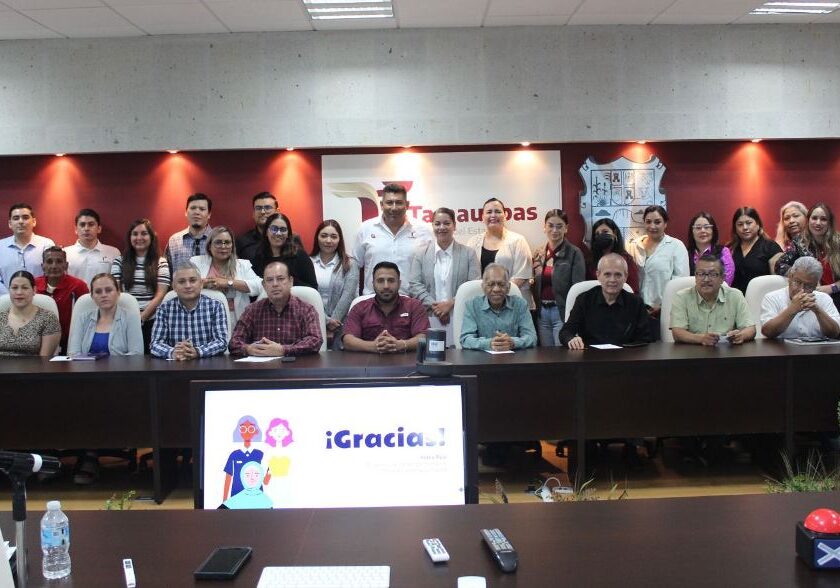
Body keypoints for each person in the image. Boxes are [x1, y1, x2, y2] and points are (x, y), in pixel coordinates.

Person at [409, 207, 480, 345]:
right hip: (429, 317)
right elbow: (414, 285)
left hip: (461, 317)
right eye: (437, 224)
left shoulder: (469, 253)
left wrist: (451, 304)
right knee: (432, 354)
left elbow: (473, 285)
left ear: (454, 226)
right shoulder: (421, 254)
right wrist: (437, 307)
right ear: (432, 226)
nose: (442, 227)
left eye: (447, 223)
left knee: (459, 354)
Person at [228, 260, 323, 357]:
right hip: (261, 365)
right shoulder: (252, 310)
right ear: (264, 285)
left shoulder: (306, 310)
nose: (275, 284)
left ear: (291, 281)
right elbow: (234, 343)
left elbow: (315, 341)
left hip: (295, 365)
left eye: (280, 279)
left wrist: (283, 350)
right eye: (269, 280)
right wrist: (248, 349)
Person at [353, 183, 432, 295]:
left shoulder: (424, 231)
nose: (394, 208)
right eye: (389, 202)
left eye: (399, 202)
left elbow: (431, 270)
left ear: (407, 205)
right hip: (373, 299)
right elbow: (354, 268)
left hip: (412, 300)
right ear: (381, 205)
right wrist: (356, 298)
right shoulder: (365, 229)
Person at [560, 253, 651, 349]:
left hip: (625, 356)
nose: (612, 280)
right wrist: (571, 339)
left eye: (618, 275)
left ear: (625, 276)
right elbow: (566, 332)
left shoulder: (636, 303)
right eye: (607, 274)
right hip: (589, 356)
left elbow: (644, 339)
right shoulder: (584, 300)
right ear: (598, 275)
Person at [627, 205, 690, 338]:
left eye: (657, 222)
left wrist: (663, 305)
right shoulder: (634, 245)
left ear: (665, 223)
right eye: (648, 222)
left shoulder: (676, 246)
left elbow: (680, 282)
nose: (652, 226)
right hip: (637, 310)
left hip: (666, 310)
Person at [342, 261, 429, 353]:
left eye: (391, 281)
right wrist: (373, 346)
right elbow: (348, 340)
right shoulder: (359, 308)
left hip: (405, 360)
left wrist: (401, 345)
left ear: (399, 283)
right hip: (368, 361)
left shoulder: (414, 306)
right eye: (380, 281)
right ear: (373, 284)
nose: (386, 286)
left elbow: (424, 337)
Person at [111, 219, 170, 353]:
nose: (139, 238)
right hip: (124, 319)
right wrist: (132, 318)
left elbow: (161, 294)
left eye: (144, 233)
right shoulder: (119, 261)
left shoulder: (161, 262)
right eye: (135, 234)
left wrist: (142, 317)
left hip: (152, 321)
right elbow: (116, 291)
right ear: (130, 237)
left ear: (151, 237)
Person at [670, 254, 756, 346]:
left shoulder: (735, 295)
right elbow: (677, 332)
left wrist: (740, 336)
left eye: (713, 274)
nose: (706, 279)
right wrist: (701, 339)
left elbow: (750, 329)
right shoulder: (682, 297)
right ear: (695, 276)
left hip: (727, 351)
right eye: (701, 274)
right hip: (693, 351)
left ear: (722, 278)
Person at [149, 262, 228, 360]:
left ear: (201, 284)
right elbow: (155, 344)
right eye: (181, 282)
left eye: (192, 280)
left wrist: (197, 352)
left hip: (207, 364)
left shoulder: (216, 306)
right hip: (175, 365)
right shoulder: (164, 309)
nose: (188, 286)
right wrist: (173, 352)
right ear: (174, 287)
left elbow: (221, 342)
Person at [531, 209, 585, 346]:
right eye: (550, 225)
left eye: (559, 226)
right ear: (544, 227)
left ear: (566, 228)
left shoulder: (574, 253)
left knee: (561, 353)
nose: (554, 230)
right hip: (542, 312)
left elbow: (578, 288)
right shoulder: (538, 253)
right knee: (546, 353)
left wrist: (572, 315)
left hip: (562, 311)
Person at [466, 197, 533, 306]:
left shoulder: (518, 240)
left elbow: (521, 276)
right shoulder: (472, 242)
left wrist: (496, 296)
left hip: (514, 304)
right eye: (489, 212)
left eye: (497, 211)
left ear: (505, 215)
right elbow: (470, 277)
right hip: (482, 305)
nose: (493, 215)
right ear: (482, 217)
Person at [460, 263, 538, 351]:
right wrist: (489, 343)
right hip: (482, 358)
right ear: (483, 287)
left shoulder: (520, 304)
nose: (496, 289)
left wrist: (513, 342)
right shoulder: (472, 305)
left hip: (514, 358)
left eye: (501, 284)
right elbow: (465, 339)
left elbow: (531, 337)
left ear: (508, 287)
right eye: (491, 284)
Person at [190, 226, 261, 322]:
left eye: (227, 242)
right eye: (218, 242)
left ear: (232, 246)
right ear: (209, 246)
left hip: (235, 318)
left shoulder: (242, 265)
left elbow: (260, 286)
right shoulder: (196, 262)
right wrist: (208, 284)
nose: (223, 246)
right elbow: (186, 285)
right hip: (204, 317)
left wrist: (228, 283)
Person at [761, 256, 840, 340]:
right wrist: (792, 309)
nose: (801, 289)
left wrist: (817, 310)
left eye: (808, 286)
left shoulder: (824, 299)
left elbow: (834, 333)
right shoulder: (772, 298)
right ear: (790, 277)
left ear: (815, 285)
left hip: (818, 348)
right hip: (781, 348)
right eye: (797, 282)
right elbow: (767, 332)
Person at [775, 203, 840, 304]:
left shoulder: (838, 242)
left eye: (823, 219)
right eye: (814, 218)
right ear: (808, 220)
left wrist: (831, 288)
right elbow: (779, 265)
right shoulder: (799, 242)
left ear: (829, 222)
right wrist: (801, 275)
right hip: (812, 297)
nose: (818, 223)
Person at [309, 219, 359, 349]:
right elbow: (307, 296)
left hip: (342, 323)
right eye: (324, 235)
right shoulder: (308, 262)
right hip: (312, 321)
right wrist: (325, 320)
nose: (328, 240)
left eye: (333, 236)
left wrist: (333, 322)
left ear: (339, 239)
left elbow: (348, 295)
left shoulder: (350, 263)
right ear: (317, 238)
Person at [67, 273, 144, 356]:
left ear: (118, 292)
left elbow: (136, 354)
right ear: (92, 296)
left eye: (108, 290)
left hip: (122, 365)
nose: (104, 295)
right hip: (86, 365)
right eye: (98, 292)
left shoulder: (131, 318)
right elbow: (73, 353)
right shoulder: (82, 319)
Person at [34, 247, 89, 353]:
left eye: (59, 261)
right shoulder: (33, 285)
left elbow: (87, 316)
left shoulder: (78, 286)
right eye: (49, 262)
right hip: (38, 343)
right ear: (42, 266)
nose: (54, 266)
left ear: (66, 265)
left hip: (70, 344)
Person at [0, 270, 60, 356]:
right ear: (9, 290)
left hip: (34, 364)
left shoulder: (48, 318)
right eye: (14, 288)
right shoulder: (1, 317)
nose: (19, 292)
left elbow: (44, 360)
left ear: (34, 290)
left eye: (25, 288)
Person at [0, 203, 55, 296]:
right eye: (16, 218)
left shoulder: (46, 244)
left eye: (25, 217)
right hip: (6, 301)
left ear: (34, 222)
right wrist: (11, 297)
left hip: (40, 299)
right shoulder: (1, 246)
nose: (21, 221)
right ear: (10, 224)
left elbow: (52, 275)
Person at [252, 212, 317, 289]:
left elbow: (313, 287)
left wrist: (288, 283)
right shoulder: (259, 256)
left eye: (283, 229)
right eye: (274, 229)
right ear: (266, 232)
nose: (278, 233)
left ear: (288, 234)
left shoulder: (299, 255)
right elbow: (256, 286)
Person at [729, 206, 782, 294]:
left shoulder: (771, 247)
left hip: (761, 299)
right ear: (735, 228)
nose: (745, 227)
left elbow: (778, 282)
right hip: (735, 300)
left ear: (758, 224)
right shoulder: (730, 249)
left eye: (749, 223)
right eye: (740, 224)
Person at [63, 208, 120, 286]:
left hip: (103, 294)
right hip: (74, 294)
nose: (86, 228)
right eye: (82, 225)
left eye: (91, 224)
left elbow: (117, 284)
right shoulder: (65, 253)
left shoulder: (113, 252)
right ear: (76, 229)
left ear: (99, 229)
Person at [583, 218, 639, 292]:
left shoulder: (626, 260)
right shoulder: (590, 261)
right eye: (597, 234)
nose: (601, 235)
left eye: (605, 232)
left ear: (614, 233)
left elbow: (633, 289)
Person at [222, 415, 267, 502]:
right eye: (243, 429)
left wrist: (270, 472)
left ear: (256, 431)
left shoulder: (260, 454)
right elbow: (228, 477)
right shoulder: (234, 455)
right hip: (237, 497)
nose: (247, 432)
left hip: (256, 498)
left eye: (251, 429)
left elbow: (265, 481)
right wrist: (224, 500)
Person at [165, 193, 213, 269]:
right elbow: (167, 272)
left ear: (209, 214)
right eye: (193, 208)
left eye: (202, 209)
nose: (197, 212)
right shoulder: (174, 241)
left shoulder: (217, 239)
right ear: (186, 212)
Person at [687, 211, 734, 286]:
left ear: (713, 230)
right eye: (698, 228)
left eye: (706, 227)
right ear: (692, 231)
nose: (702, 231)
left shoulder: (723, 251)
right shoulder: (686, 254)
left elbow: (726, 281)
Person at [236, 191, 278, 264]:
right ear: (253, 213)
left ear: (277, 212)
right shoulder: (242, 242)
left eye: (267, 207)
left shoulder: (290, 239)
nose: (262, 212)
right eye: (258, 208)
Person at [771, 200, 808, 273]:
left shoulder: (814, 240)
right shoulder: (777, 245)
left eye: (796, 216)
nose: (791, 221)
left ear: (806, 217)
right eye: (787, 218)